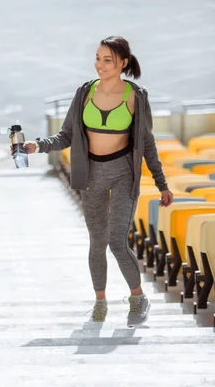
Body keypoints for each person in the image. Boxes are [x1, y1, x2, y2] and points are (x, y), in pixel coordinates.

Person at [23, 36, 174, 327]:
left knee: (117, 241)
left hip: (122, 174)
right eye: (97, 58)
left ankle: (138, 298)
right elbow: (66, 135)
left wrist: (161, 183)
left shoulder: (136, 95)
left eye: (108, 60)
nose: (100, 65)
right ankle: (100, 301)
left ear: (123, 63)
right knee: (96, 244)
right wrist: (37, 145)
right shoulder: (84, 93)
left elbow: (147, 143)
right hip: (91, 175)